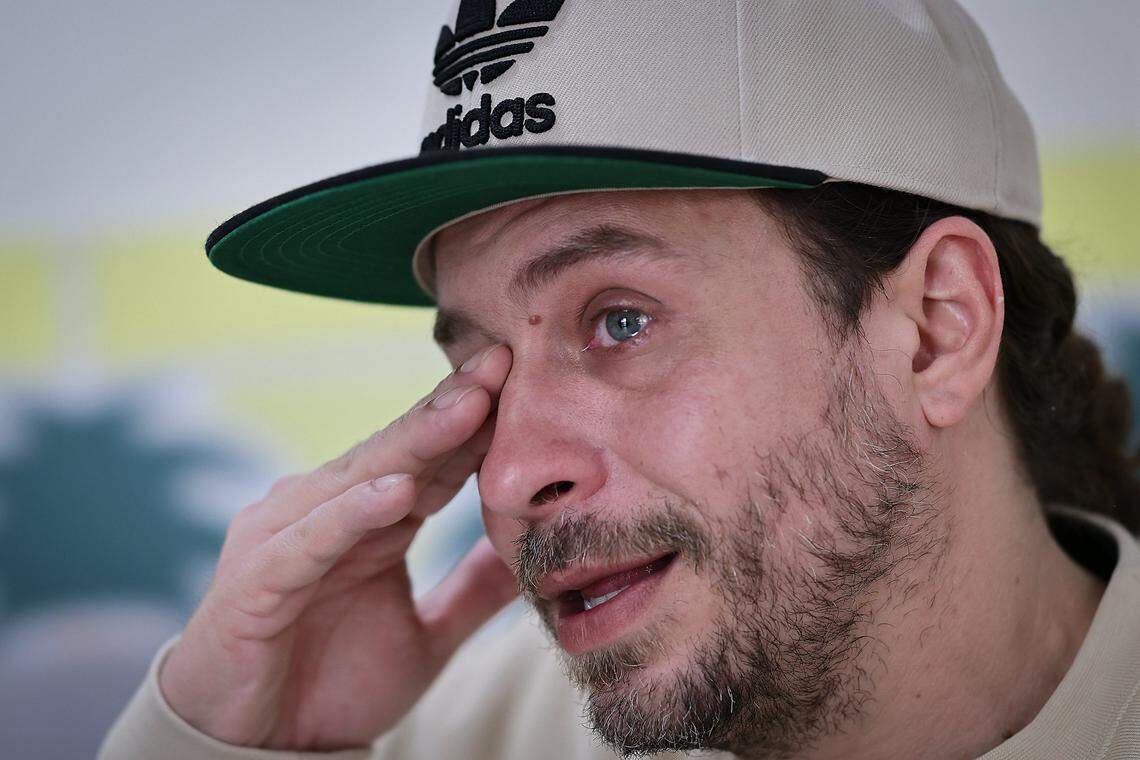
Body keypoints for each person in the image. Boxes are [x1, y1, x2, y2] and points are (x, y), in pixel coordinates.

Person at [99, 1, 1140, 758]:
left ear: (934, 331)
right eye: (477, 364)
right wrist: (235, 745)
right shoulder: (457, 732)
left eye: (622, 321)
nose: (504, 479)